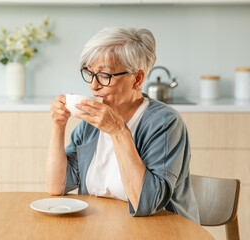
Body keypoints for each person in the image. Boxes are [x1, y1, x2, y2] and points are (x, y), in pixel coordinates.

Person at [46, 27, 200, 224]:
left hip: (161, 230)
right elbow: (56, 186)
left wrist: (118, 131)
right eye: (89, 73)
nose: (93, 85)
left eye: (104, 75)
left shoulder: (165, 123)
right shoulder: (91, 123)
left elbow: (147, 203)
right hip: (99, 227)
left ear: (137, 79)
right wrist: (58, 125)